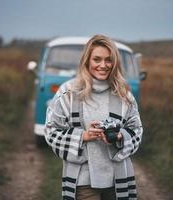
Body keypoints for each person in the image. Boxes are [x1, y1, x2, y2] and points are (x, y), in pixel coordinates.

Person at [45, 34, 143, 200]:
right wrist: (83, 136)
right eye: (97, 59)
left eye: (108, 60)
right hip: (82, 180)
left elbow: (136, 130)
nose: (103, 65)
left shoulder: (123, 94)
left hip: (118, 180)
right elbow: (51, 131)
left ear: (115, 63)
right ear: (87, 61)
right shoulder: (68, 92)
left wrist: (120, 136)